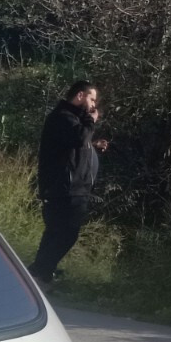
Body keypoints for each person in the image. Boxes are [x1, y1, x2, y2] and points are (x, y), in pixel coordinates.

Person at [30, 80, 107, 289]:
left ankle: (40, 272)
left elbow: (74, 146)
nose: (93, 105)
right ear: (80, 96)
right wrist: (91, 121)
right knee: (65, 233)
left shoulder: (72, 120)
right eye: (91, 99)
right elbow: (78, 137)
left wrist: (93, 147)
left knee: (56, 233)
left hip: (73, 188)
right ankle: (41, 273)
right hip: (63, 189)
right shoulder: (62, 118)